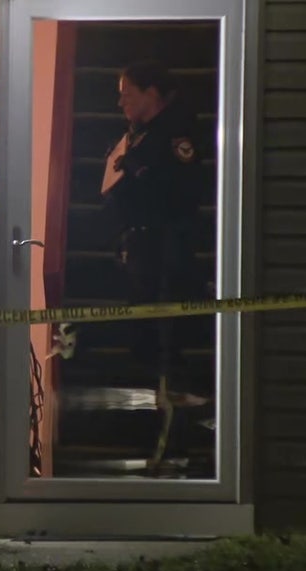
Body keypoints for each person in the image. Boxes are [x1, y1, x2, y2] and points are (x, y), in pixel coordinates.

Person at [100, 59, 207, 468]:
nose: (121, 101)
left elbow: (181, 194)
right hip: (144, 254)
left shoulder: (177, 135)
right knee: (145, 345)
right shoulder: (140, 135)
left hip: (168, 260)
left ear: (151, 93)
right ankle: (157, 437)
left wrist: (139, 172)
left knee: (166, 350)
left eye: (128, 92)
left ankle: (173, 445)